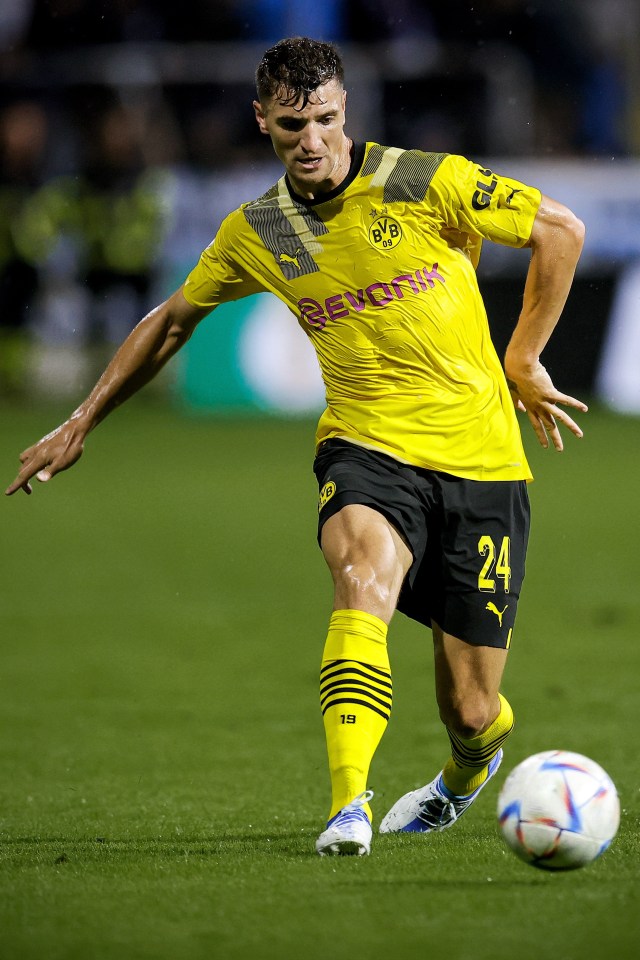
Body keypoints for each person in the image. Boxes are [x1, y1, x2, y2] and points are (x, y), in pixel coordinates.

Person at [6, 36, 587, 857]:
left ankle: (466, 771)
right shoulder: (259, 231)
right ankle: (348, 804)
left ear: (345, 112)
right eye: (291, 124)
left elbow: (560, 230)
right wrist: (81, 419)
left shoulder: (425, 181)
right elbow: (173, 319)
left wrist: (522, 356)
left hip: (483, 461)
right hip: (365, 446)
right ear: (262, 122)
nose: (310, 139)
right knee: (361, 577)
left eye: (324, 120)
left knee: (471, 707)